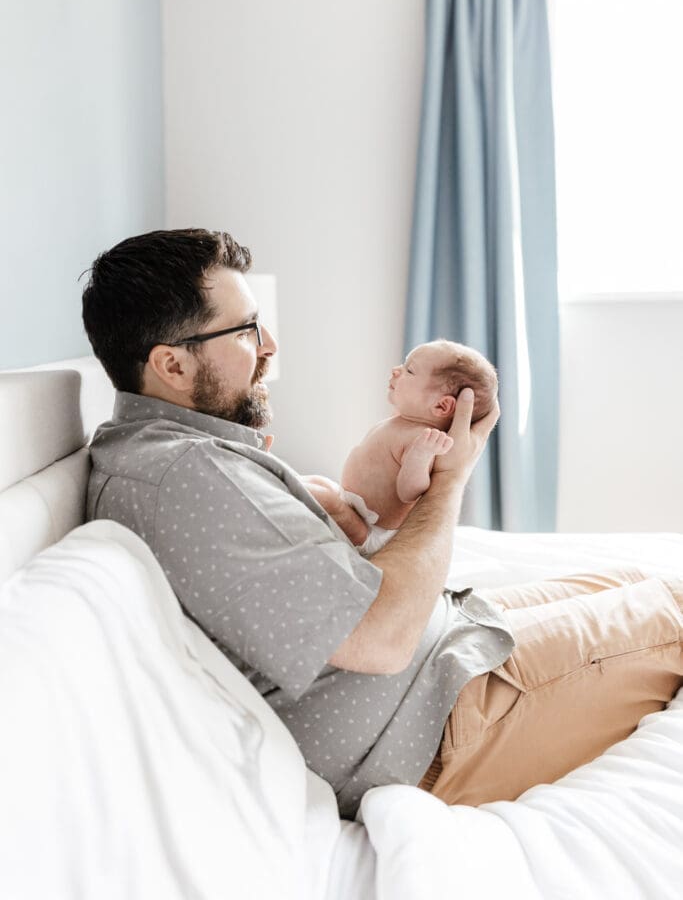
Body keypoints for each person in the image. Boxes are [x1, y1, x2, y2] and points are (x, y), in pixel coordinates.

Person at [81, 228, 683, 819]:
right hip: (428, 723)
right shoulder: (188, 476)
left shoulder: (167, 457)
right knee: (675, 605)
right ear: (172, 366)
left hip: (435, 656)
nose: (269, 344)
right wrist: (450, 479)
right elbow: (383, 638)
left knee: (635, 577)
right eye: (245, 330)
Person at [306, 340, 498, 557]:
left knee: (323, 497)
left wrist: (420, 455)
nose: (396, 370)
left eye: (409, 370)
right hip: (353, 508)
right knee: (319, 483)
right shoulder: (402, 422)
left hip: (371, 532)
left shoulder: (422, 439)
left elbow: (409, 492)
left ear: (441, 405)